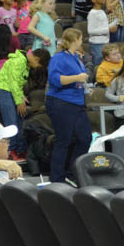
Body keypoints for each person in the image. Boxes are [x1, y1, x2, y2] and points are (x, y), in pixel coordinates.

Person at [46, 28, 91, 183]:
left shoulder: (75, 57)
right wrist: (77, 77)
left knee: (85, 138)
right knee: (63, 140)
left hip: (77, 102)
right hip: (61, 102)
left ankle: (72, 173)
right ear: (75, 40)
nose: (82, 41)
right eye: (80, 39)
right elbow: (55, 80)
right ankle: (57, 178)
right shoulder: (59, 58)